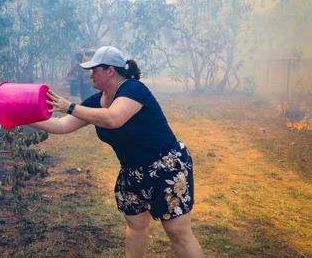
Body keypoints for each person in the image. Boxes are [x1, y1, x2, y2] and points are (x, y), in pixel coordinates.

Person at [30, 45, 203, 258]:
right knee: (136, 226)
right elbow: (63, 125)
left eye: (95, 70)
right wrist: (25, 118)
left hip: (165, 166)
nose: (90, 75)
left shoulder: (133, 89)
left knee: (177, 231)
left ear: (110, 70)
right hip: (132, 172)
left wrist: (70, 106)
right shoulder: (96, 100)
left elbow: (113, 118)